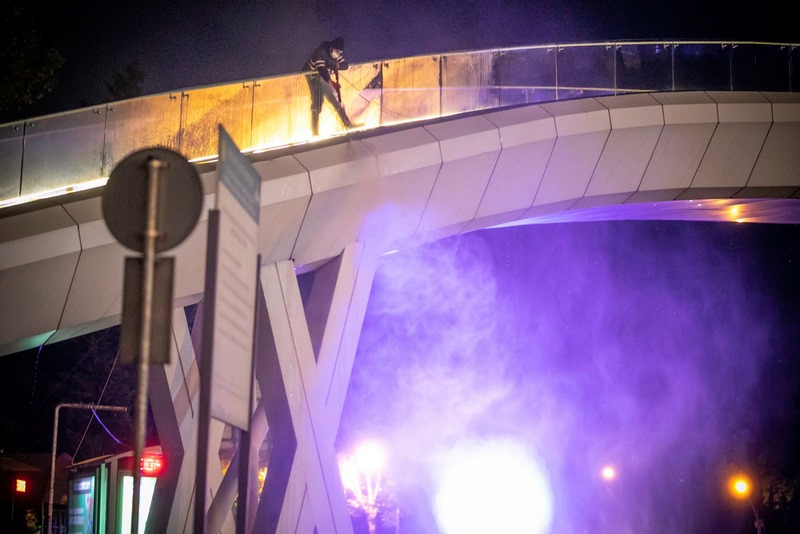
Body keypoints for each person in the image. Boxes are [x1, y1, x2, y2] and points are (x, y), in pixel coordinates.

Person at [303, 36, 355, 135]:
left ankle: (348, 124)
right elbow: (322, 70)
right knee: (318, 101)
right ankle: (314, 132)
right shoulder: (320, 53)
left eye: (339, 53)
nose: (338, 54)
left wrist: (337, 65)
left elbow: (345, 65)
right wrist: (332, 83)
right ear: (331, 49)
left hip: (323, 77)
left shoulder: (335, 54)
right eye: (337, 52)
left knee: (334, 100)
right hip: (312, 75)